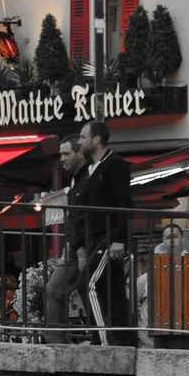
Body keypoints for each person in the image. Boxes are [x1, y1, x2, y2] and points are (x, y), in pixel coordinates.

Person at [76, 120, 136, 347]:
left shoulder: (115, 165)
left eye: (83, 137)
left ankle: (101, 340)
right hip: (96, 237)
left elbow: (124, 203)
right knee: (113, 290)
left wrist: (119, 240)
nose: (79, 141)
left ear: (96, 139)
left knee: (88, 284)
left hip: (109, 237)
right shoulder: (89, 170)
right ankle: (125, 340)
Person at [43, 134, 90, 343]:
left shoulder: (86, 177)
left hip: (82, 245)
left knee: (54, 289)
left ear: (79, 153)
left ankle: (57, 342)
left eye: (66, 153)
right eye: (60, 154)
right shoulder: (77, 177)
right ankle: (101, 336)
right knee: (86, 291)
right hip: (78, 245)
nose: (62, 158)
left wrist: (77, 248)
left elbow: (80, 216)